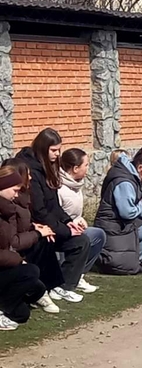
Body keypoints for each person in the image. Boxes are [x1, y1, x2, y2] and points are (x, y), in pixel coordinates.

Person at [16, 129, 92, 304]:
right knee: (55, 242)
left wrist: (68, 222)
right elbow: (39, 210)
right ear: (43, 148)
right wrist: (63, 230)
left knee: (82, 240)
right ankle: (49, 287)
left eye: (59, 150)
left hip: (52, 224)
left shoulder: (47, 166)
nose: (58, 154)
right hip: (37, 226)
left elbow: (54, 205)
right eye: (54, 150)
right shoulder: (31, 171)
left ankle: (64, 286)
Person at [0, 161, 63, 313]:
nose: (30, 177)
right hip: (11, 255)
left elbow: (18, 228)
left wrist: (34, 227)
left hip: (10, 252)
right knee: (39, 249)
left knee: (46, 240)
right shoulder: (10, 207)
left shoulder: (14, 203)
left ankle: (46, 288)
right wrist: (36, 233)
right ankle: (38, 290)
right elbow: (13, 241)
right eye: (27, 174)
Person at [94, 150, 142, 275]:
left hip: (125, 225)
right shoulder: (124, 182)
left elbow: (139, 205)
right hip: (112, 225)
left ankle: (135, 261)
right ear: (140, 167)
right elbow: (127, 212)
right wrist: (140, 205)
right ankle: (128, 262)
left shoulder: (135, 178)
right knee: (116, 262)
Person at [0, 167, 47, 330]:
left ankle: (6, 305)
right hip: (5, 264)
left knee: (23, 313)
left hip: (5, 264)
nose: (16, 195)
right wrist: (18, 261)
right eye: (14, 190)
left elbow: (11, 240)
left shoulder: (8, 210)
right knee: (30, 272)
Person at [56, 148, 106, 292]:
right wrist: (70, 225)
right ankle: (64, 279)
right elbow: (56, 214)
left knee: (98, 235)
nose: (88, 168)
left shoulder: (77, 185)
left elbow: (73, 212)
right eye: (86, 165)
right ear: (75, 168)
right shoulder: (60, 188)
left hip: (75, 228)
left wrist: (79, 219)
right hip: (61, 232)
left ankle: (79, 275)